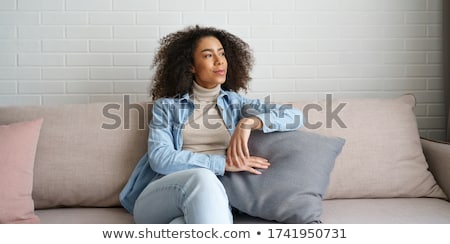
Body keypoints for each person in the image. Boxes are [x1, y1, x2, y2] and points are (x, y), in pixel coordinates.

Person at [120, 25, 303, 224]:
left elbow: (295, 116)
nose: (219, 61)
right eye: (208, 56)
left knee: (180, 226)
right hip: (163, 196)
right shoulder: (167, 107)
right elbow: (160, 158)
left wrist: (249, 122)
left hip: (213, 198)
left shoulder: (236, 104)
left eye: (222, 54)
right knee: (202, 177)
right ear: (191, 65)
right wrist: (222, 164)